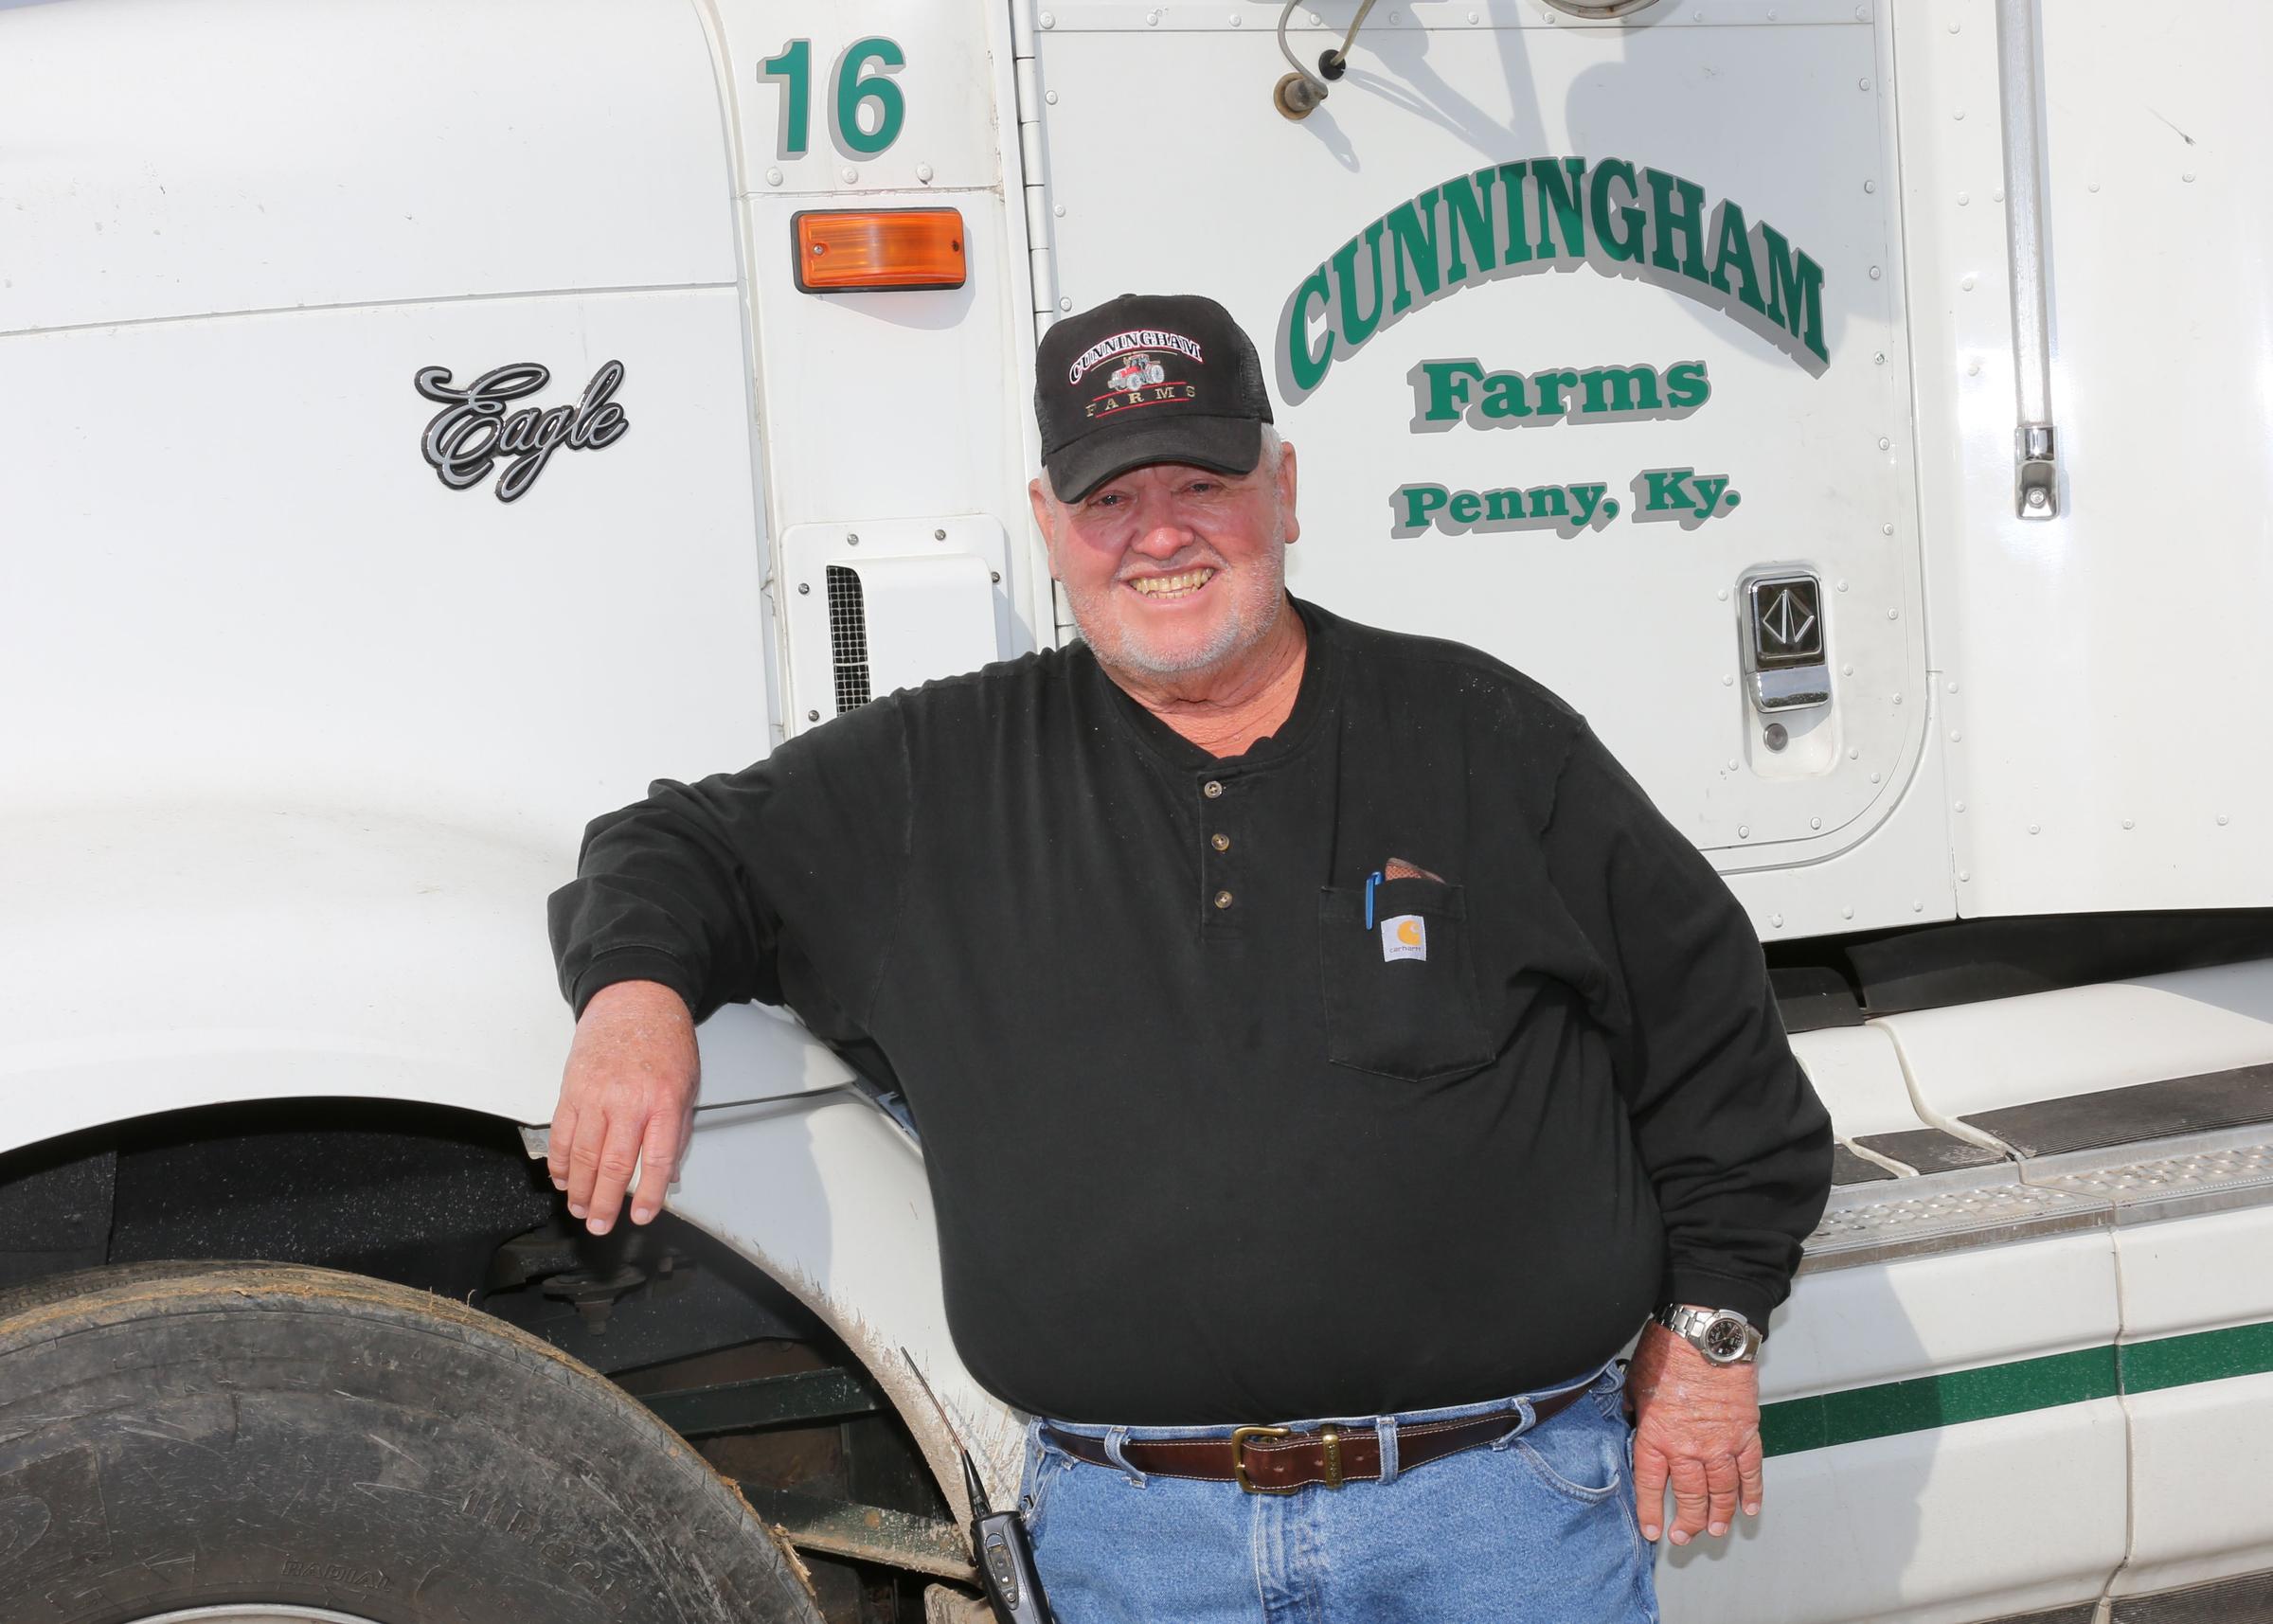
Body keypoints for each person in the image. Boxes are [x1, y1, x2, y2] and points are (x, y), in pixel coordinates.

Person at [546, 293, 1833, 1622]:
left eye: (1202, 483)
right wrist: (636, 999)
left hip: (1498, 1522)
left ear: (1283, 491)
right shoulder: (940, 777)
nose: (1158, 534)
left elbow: (1717, 1052)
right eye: (1111, 500)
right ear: (1052, 529)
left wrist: (1715, 1336)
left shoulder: (1486, 739)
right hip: (1139, 1547)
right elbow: (671, 843)